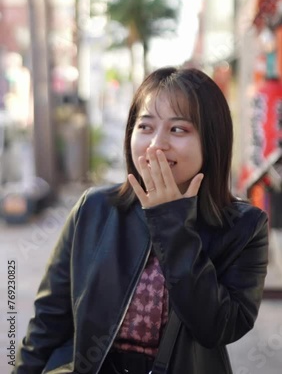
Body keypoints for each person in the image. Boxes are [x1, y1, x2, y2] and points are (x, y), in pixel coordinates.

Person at [13, 66, 269, 374]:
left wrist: (172, 222)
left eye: (178, 130)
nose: (155, 144)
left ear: (212, 141)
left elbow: (217, 327)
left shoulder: (245, 227)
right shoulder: (93, 209)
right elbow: (48, 321)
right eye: (145, 127)